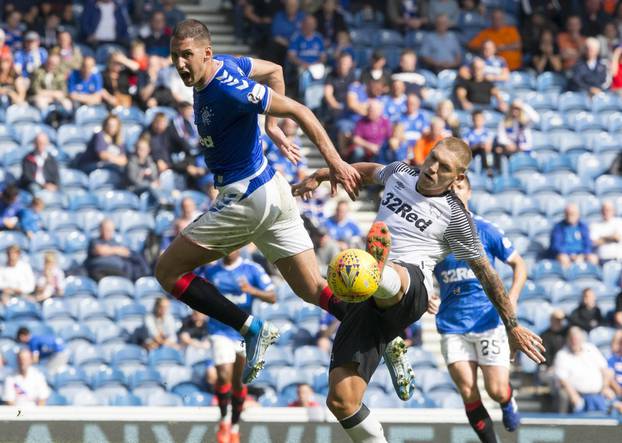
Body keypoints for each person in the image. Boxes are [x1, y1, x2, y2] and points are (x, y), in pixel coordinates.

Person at [293, 137, 545, 442]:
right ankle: (387, 334)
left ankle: (378, 266)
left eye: (445, 167)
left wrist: (512, 325)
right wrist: (320, 175)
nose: (434, 168)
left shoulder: (456, 218)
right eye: (433, 158)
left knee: (367, 270)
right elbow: (369, 170)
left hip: (412, 287)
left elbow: (488, 274)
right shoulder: (401, 173)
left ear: (458, 178)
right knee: (341, 401)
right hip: (370, 293)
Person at [156, 19, 361, 384]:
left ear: (205, 53)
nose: (181, 64)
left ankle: (251, 328)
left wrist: (334, 162)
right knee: (313, 288)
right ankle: (378, 332)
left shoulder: (227, 87)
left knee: (167, 271)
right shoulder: (226, 65)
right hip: (273, 190)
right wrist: (270, 126)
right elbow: (276, 70)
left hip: (248, 194)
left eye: (187, 56)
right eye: (175, 57)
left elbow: (301, 110)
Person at [427, 174, 527, 439]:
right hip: (452, 325)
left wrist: (512, 298)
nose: (454, 193)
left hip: (487, 321)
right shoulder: (434, 235)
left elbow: (519, 264)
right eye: (449, 189)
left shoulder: (486, 229)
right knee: (468, 390)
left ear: (469, 193)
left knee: (495, 389)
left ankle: (507, 401)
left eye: (459, 187)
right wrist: (426, 292)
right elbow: (421, 269)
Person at [200, 249, 276, 443]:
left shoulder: (252, 269)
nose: (229, 250)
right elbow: (198, 293)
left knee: (238, 382)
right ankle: (224, 420)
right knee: (223, 373)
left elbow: (272, 296)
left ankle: (234, 426)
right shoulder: (211, 271)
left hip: (243, 332)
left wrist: (252, 291)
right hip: (219, 331)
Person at [553, 326, 614, 413]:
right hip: (578, 396)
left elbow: (606, 370)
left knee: (612, 400)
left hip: (599, 394)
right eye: (572, 338)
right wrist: (573, 395)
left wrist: (605, 387)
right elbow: (562, 379)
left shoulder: (591, 348)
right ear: (568, 339)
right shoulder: (562, 354)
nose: (575, 341)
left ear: (581, 338)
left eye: (577, 338)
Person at [550, 203, 599, 269]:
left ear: (578, 215)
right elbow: (556, 245)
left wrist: (582, 254)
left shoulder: (583, 227)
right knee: (563, 258)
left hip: (580, 254)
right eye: (568, 214)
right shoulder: (558, 227)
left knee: (593, 258)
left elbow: (587, 244)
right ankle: (567, 278)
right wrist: (570, 254)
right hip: (565, 254)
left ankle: (590, 277)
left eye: (572, 214)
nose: (570, 216)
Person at [493, 99, 538, 170]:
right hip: (510, 152)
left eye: (518, 109)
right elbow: (501, 138)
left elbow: (535, 118)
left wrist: (523, 105)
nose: (515, 110)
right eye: (513, 108)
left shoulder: (524, 122)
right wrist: (509, 144)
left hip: (525, 152)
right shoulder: (504, 121)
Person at [464, 110, 494, 175]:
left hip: (484, 153)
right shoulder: (467, 132)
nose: (478, 121)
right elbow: (465, 148)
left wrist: (483, 146)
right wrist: (477, 146)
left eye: (480, 119)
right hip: (472, 153)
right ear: (472, 120)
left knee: (485, 150)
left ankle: (488, 168)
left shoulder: (488, 132)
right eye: (476, 119)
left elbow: (489, 147)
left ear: (483, 120)